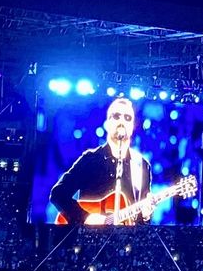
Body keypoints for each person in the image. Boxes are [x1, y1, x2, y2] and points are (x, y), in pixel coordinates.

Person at [48, 97, 152, 226]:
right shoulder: (91, 159)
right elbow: (58, 194)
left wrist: (146, 216)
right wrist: (85, 217)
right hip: (89, 241)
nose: (122, 121)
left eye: (127, 118)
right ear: (107, 123)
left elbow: (141, 224)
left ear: (132, 126)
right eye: (116, 116)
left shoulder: (142, 165)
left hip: (125, 242)